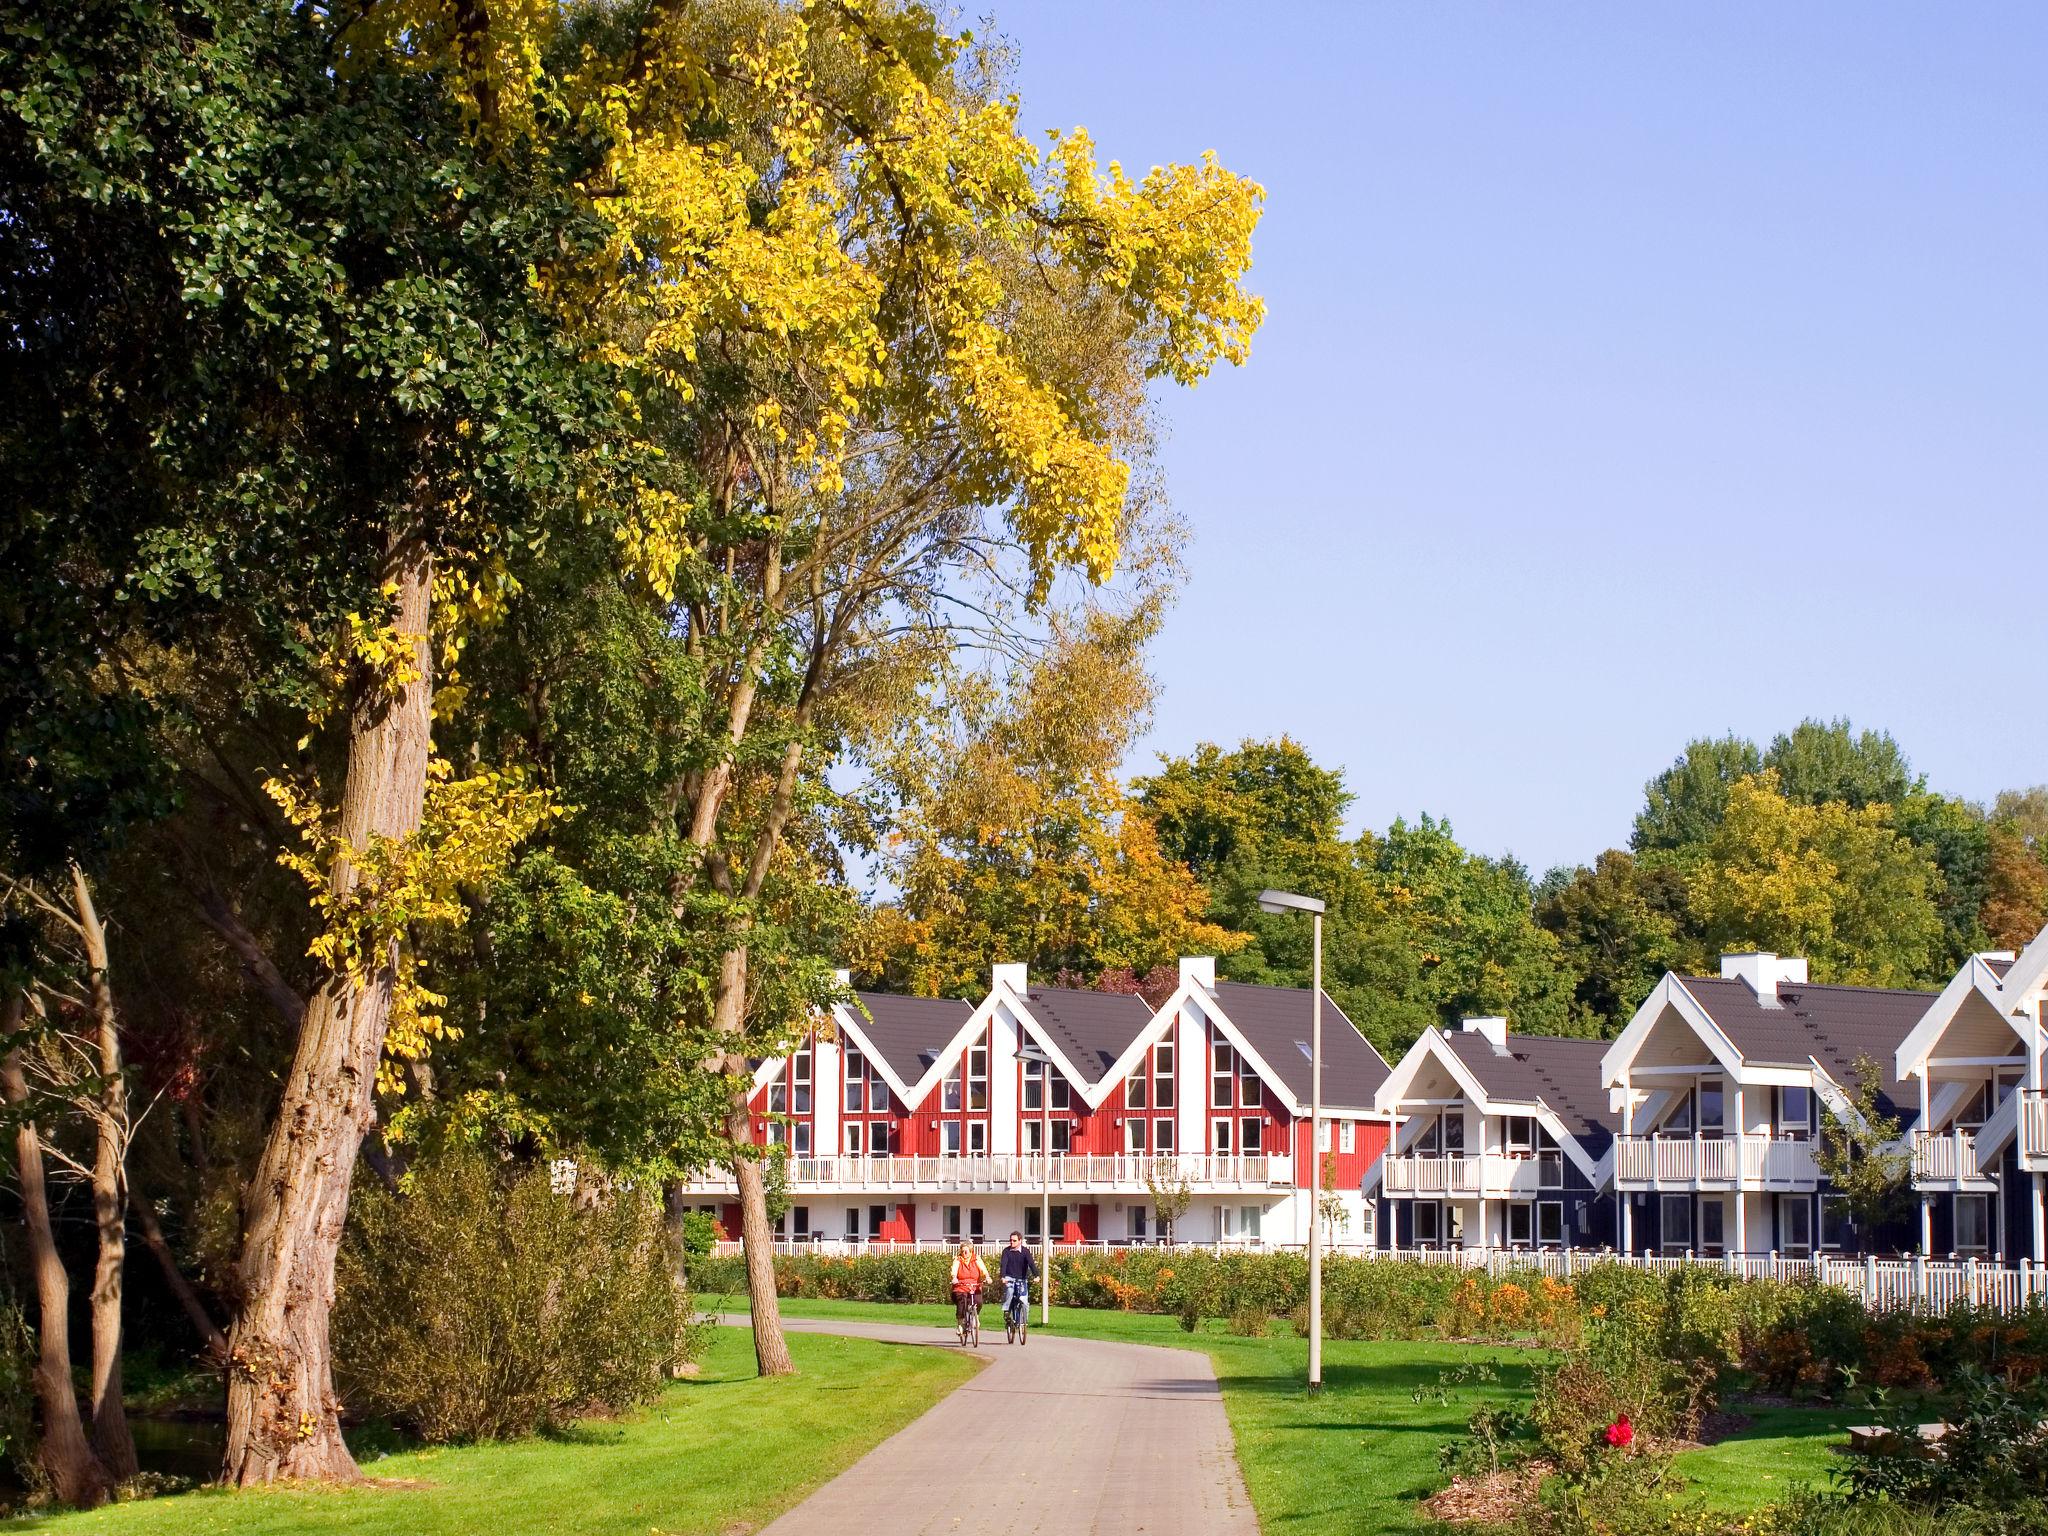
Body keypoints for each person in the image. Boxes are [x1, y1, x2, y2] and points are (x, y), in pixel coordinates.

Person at [998, 1230, 1037, 1330]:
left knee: (1024, 1300)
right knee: (1010, 1291)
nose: (1012, 1242)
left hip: (1021, 1279)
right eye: (1010, 1240)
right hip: (1009, 1277)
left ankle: (1023, 1322)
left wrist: (1036, 1275)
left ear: (1020, 1241)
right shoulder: (1006, 1251)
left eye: (1014, 1240)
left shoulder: (1025, 1251)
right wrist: (1003, 1277)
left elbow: (1031, 1264)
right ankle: (1006, 1311)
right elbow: (1003, 1265)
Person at [950, 1238, 988, 1337]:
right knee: (961, 1302)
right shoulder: (958, 1260)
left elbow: (983, 1269)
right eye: (962, 1251)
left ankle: (976, 1316)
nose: (964, 1253)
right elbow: (954, 1269)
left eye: (966, 1251)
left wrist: (987, 1277)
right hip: (960, 1286)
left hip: (974, 1286)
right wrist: (954, 1277)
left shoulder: (976, 1259)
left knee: (978, 1301)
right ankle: (960, 1324)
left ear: (970, 1251)